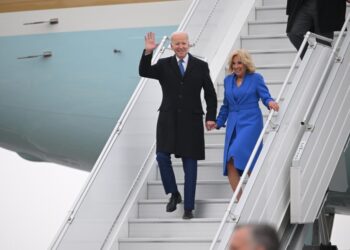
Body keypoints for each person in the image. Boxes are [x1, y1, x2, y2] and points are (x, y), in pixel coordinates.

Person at [139, 32, 217, 219]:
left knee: (190, 165)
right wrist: (148, 52)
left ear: (189, 44)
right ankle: (174, 193)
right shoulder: (164, 65)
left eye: (183, 43)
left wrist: (210, 117)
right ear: (172, 46)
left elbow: (210, 94)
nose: (181, 47)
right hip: (168, 119)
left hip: (191, 121)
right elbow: (144, 72)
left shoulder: (201, 66)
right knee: (161, 156)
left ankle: (189, 208)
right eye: (177, 44)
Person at [216, 49, 279, 200]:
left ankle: (260, 194)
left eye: (240, 62)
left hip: (251, 122)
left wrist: (270, 102)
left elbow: (265, 96)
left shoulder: (256, 78)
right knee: (230, 162)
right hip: (233, 123)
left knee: (241, 155)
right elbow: (226, 105)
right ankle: (241, 200)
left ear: (246, 63)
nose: (237, 66)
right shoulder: (227, 81)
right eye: (234, 63)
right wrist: (218, 121)